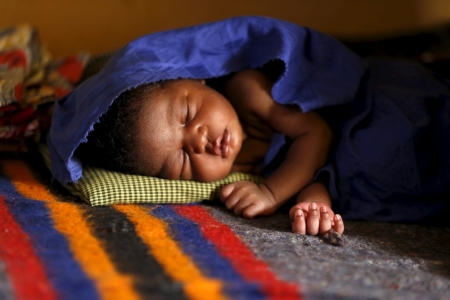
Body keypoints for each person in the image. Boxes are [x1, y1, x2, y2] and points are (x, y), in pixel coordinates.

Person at [49, 16, 450, 237]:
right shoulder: (232, 177)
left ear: (197, 79)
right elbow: (316, 168)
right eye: (183, 162)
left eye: (188, 115)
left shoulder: (249, 91)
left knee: (408, 135)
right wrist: (314, 204)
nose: (200, 142)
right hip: (334, 156)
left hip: (372, 105)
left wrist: (273, 192)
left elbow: (316, 134)